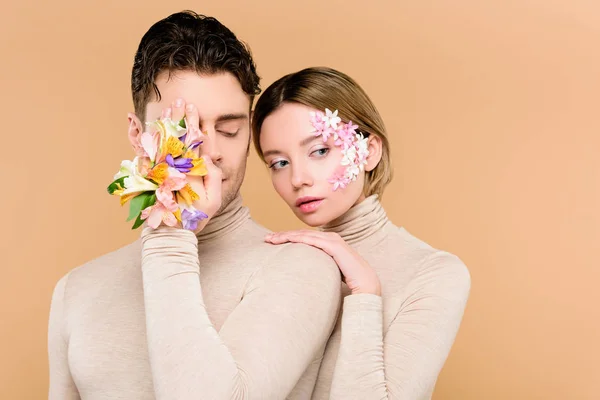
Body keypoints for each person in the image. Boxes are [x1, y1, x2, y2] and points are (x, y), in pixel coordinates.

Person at [48, 12, 341, 399]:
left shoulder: (301, 268)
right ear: (138, 135)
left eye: (229, 129)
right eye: (184, 129)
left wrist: (170, 236)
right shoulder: (77, 289)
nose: (211, 151)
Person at [252, 66, 471, 399]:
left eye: (319, 151)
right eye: (279, 162)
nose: (298, 178)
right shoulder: (280, 262)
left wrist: (365, 295)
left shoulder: (434, 274)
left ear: (369, 151)